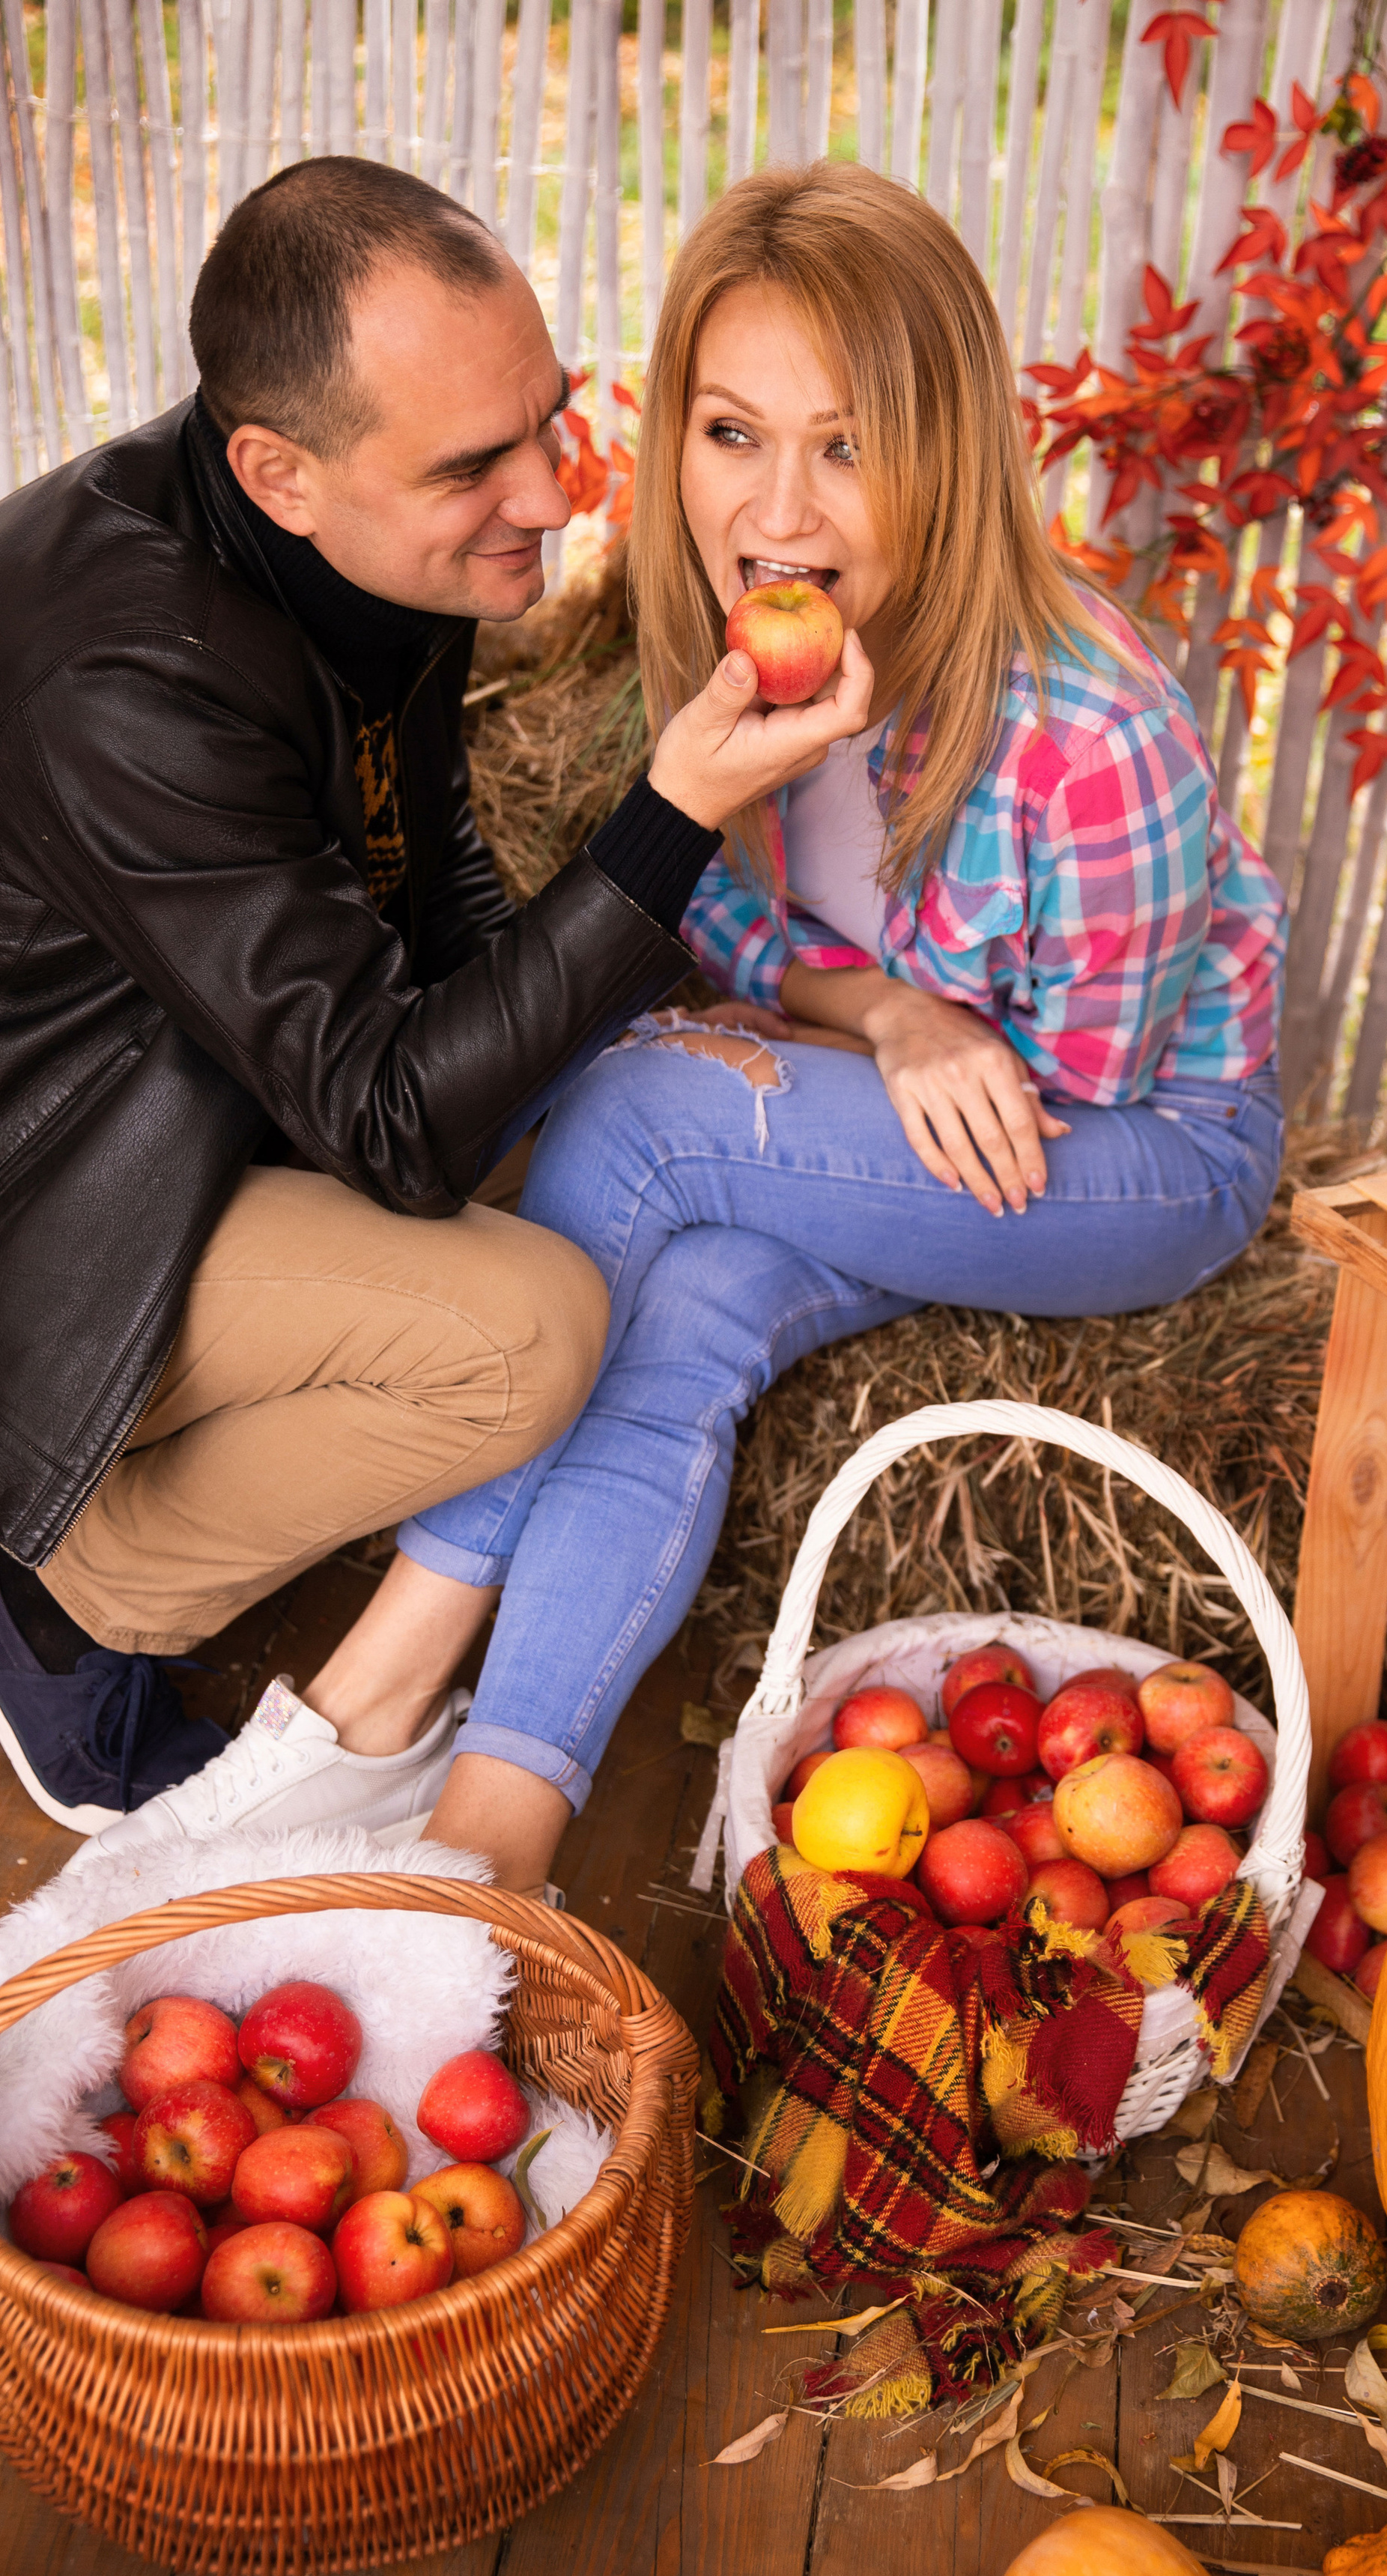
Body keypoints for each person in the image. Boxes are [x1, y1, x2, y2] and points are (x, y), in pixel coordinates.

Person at [92, 163, 1285, 1891]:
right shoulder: (741, 641)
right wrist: (875, 1011)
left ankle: (374, 1692)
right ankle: (487, 1845)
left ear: (943, 448)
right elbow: (713, 916)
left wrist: (806, 1081)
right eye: (732, 433)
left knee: (647, 1113)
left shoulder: (1087, 730)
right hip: (924, 1096)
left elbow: (1063, 1090)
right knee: (688, 1298)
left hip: (1137, 1141)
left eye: (847, 445)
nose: (777, 507)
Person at [0, 157, 871, 1838]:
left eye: (546, 421)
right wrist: (666, 822)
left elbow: (430, 865)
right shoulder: (129, 676)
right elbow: (396, 1123)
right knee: (527, 1330)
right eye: (478, 464)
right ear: (278, 470)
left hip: (209, 1098)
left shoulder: (364, 545)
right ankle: (65, 1595)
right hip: (51, 1216)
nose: (552, 494)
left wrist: (648, 1006)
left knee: (608, 1124)